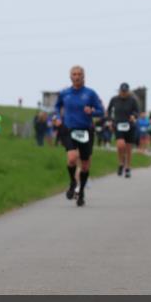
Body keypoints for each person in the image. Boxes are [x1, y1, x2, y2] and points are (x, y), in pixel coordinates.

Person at [53, 65, 105, 207]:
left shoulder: (90, 93)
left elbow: (102, 111)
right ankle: (72, 181)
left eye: (79, 74)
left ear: (83, 76)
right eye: (74, 74)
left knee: (85, 165)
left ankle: (81, 191)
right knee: (71, 158)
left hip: (86, 130)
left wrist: (92, 112)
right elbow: (57, 107)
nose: (76, 76)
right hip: (69, 129)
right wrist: (57, 117)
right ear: (70, 77)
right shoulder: (65, 93)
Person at [107, 82, 140, 178]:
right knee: (120, 145)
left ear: (128, 91)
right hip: (118, 124)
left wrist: (134, 116)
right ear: (119, 91)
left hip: (130, 125)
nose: (124, 93)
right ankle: (121, 163)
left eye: (125, 91)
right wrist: (110, 121)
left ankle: (128, 168)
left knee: (128, 148)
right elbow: (109, 110)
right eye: (122, 91)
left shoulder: (133, 100)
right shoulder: (114, 99)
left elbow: (137, 111)